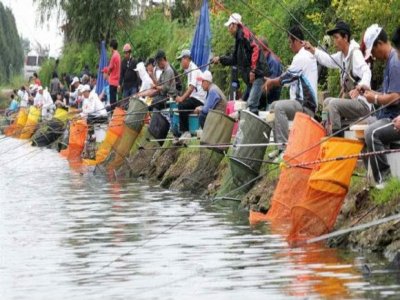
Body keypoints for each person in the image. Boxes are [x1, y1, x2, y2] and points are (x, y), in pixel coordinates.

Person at [304, 20, 372, 135]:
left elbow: (367, 72)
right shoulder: (342, 56)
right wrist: (312, 49)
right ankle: (324, 127)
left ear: (345, 37)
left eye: (336, 37)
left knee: (333, 105)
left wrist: (361, 86)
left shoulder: (355, 54)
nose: (334, 41)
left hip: (362, 105)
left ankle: (336, 136)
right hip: (351, 104)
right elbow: (327, 60)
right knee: (327, 101)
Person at [264, 26, 318, 158]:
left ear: (295, 41)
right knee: (272, 107)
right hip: (299, 103)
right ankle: (279, 146)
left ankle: (284, 149)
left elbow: (286, 78)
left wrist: (271, 82)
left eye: (290, 42)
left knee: (279, 107)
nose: (289, 46)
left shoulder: (302, 56)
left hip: (305, 105)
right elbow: (289, 78)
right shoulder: (304, 55)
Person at [362, 25, 400, 189]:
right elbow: (388, 92)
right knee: (362, 125)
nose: (374, 56)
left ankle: (384, 181)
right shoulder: (390, 61)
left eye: (373, 51)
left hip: (394, 117)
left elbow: (396, 98)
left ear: (378, 44)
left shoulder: (394, 63)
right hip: (388, 115)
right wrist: (370, 92)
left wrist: (375, 98)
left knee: (371, 133)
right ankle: (371, 180)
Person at [212, 13, 268, 114]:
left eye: (229, 26)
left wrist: (253, 70)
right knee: (244, 103)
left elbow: (256, 48)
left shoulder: (244, 33)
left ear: (234, 25)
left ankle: (254, 128)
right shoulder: (238, 39)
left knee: (251, 104)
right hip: (251, 79)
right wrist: (220, 59)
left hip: (257, 75)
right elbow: (234, 59)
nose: (228, 29)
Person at [176, 49, 206, 140]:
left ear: (186, 59)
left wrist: (181, 98)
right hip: (195, 98)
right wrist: (183, 98)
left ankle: (186, 132)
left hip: (199, 99)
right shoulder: (189, 70)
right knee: (182, 104)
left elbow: (191, 87)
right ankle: (183, 131)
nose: (181, 62)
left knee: (181, 105)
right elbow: (190, 89)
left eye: (181, 60)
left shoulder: (193, 69)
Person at [259, 37, 283, 109]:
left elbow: (272, 82)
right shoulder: (264, 59)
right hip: (266, 91)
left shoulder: (273, 61)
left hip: (273, 93)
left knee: (269, 113)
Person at [107, 39, 121, 109]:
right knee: (115, 100)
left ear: (112, 47)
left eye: (110, 47)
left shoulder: (113, 56)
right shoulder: (118, 55)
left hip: (112, 81)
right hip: (117, 81)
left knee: (112, 102)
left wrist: (108, 73)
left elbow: (110, 68)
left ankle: (113, 116)